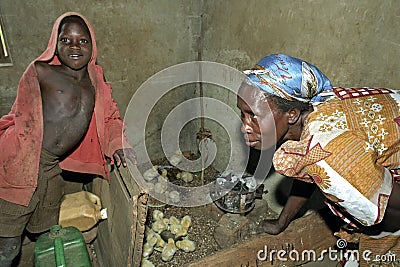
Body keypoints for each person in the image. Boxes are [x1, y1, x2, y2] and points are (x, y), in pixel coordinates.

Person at [0, 12, 134, 266]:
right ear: (55, 43)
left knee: (47, 229)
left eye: (82, 41)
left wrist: (118, 144)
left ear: (92, 44)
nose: (75, 46)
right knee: (7, 244)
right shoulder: (41, 72)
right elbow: (19, 114)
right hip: (19, 163)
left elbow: (110, 117)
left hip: (51, 168)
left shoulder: (96, 79)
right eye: (66, 39)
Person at [237, 54, 400, 236]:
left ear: (292, 114)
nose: (245, 127)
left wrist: (377, 235)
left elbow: (392, 208)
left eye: (254, 116)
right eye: (243, 115)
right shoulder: (314, 109)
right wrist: (281, 223)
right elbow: (311, 170)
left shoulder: (333, 154)